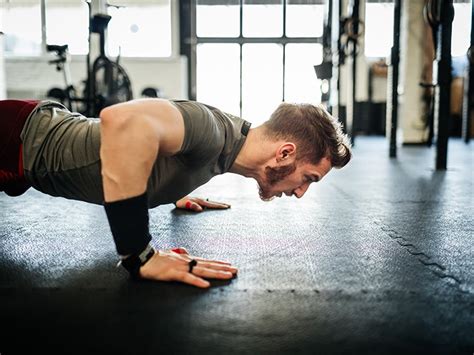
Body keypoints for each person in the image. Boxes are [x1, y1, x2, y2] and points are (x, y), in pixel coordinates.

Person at [0, 98, 352, 288]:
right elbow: (123, 122)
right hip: (15, 136)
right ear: (286, 153)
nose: (302, 192)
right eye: (309, 178)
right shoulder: (212, 131)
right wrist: (139, 254)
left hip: (26, 150)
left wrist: (172, 190)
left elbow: (172, 154)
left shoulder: (230, 146)